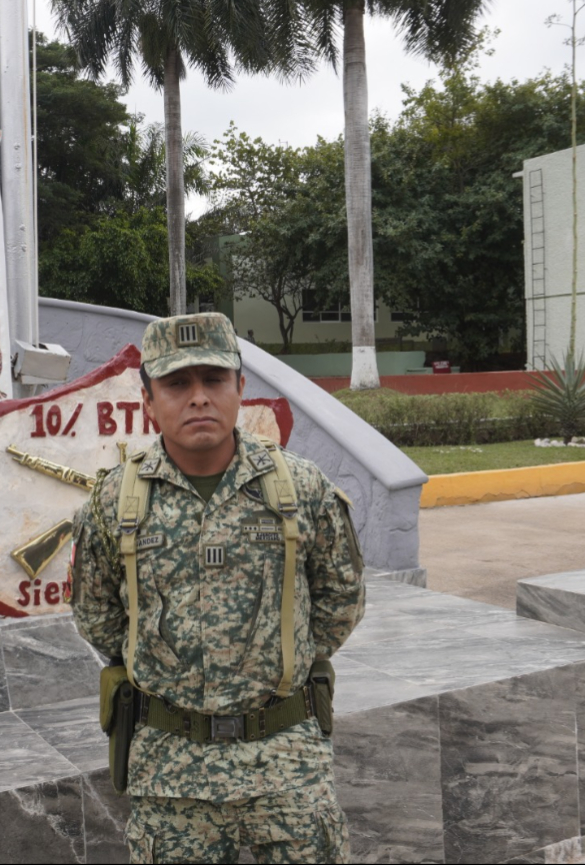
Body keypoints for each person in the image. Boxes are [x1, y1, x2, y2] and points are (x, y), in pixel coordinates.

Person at [69, 312, 365, 864]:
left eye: (214, 380)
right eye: (177, 384)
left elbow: (340, 602)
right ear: (148, 399)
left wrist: (280, 661)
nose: (198, 398)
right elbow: (98, 615)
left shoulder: (299, 489)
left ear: (241, 389)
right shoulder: (115, 501)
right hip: (171, 774)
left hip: (286, 768)